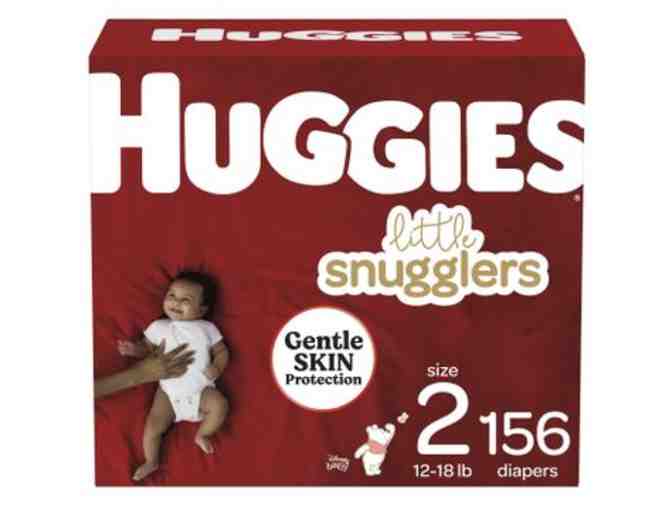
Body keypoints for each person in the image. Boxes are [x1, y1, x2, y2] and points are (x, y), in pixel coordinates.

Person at [118, 271, 230, 481]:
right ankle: (151, 460)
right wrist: (134, 350)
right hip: (168, 393)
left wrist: (217, 367)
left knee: (220, 405)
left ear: (202, 309)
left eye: (185, 300)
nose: (176, 302)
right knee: (152, 426)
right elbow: (147, 348)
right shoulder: (159, 327)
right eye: (171, 296)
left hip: (201, 390)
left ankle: (203, 434)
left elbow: (222, 351)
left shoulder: (207, 328)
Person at [94, 341, 195, 400]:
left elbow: (151, 349)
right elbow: (152, 349)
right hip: (166, 387)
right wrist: (142, 372)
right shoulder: (159, 327)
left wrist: (137, 350)